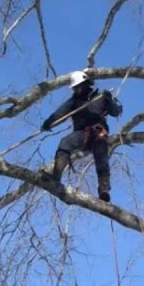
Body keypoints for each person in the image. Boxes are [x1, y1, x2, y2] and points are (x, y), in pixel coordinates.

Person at [40, 69, 123, 201]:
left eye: (78, 87)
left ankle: (104, 189)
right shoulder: (73, 102)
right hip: (81, 135)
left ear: (85, 84)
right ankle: (56, 177)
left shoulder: (100, 97)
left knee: (101, 155)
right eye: (74, 88)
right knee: (65, 142)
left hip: (98, 133)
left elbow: (116, 112)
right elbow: (59, 113)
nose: (76, 90)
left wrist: (109, 100)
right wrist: (48, 122)